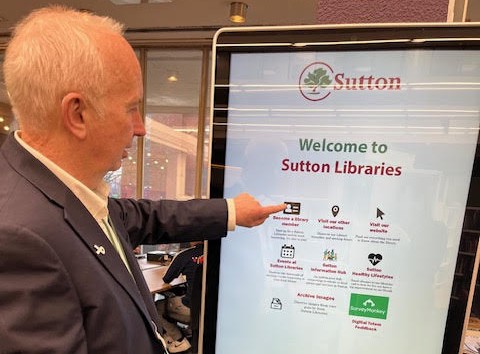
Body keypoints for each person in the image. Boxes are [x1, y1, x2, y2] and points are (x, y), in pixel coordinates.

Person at [0, 6, 285, 354]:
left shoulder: (67, 191)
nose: (141, 128)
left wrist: (230, 211)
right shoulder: (18, 238)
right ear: (77, 114)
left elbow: (144, 216)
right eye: (130, 108)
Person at [156, 242, 204, 353]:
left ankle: (179, 340)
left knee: (157, 307)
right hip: (213, 311)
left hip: (191, 310)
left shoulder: (185, 255)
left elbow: (167, 279)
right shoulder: (219, 254)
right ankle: (186, 332)